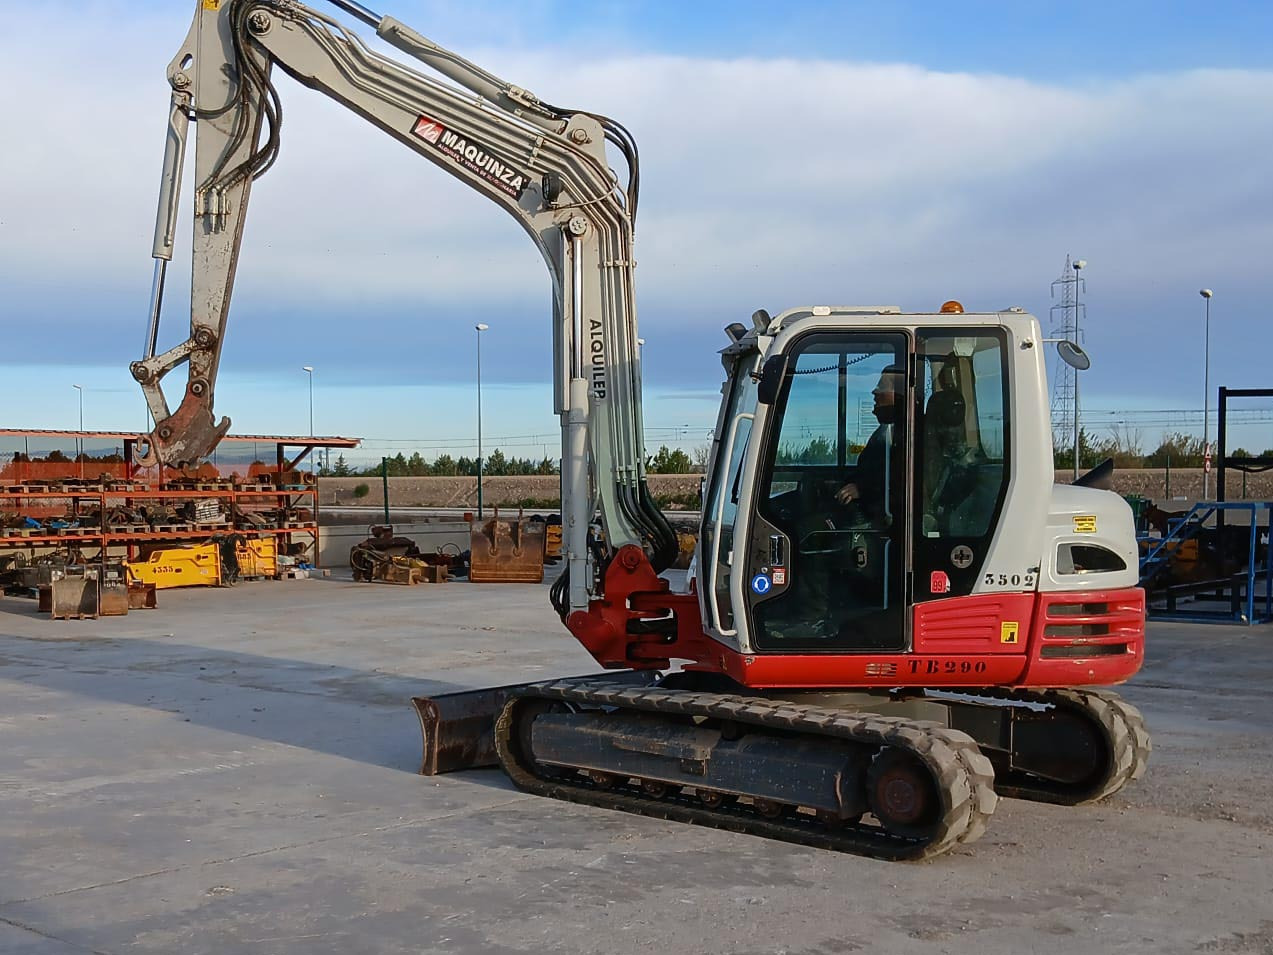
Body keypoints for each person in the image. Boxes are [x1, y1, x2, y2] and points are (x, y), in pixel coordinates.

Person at [836, 364, 905, 522]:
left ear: (900, 395)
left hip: (887, 522)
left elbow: (900, 485)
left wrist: (862, 489)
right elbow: (870, 471)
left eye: (882, 387)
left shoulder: (910, 436)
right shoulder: (886, 431)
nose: (874, 392)